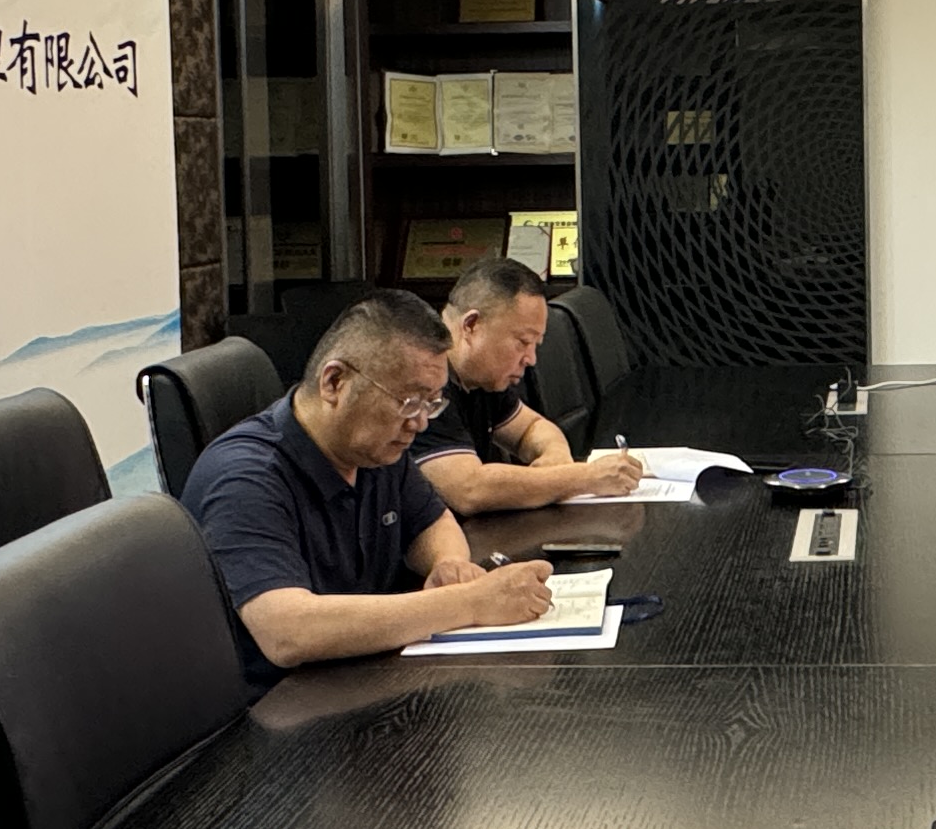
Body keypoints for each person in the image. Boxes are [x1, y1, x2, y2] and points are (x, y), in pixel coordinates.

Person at [179, 288, 555, 683]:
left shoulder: (374, 450)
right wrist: (470, 602)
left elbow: (433, 522)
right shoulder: (244, 477)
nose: (420, 422)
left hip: (362, 675)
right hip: (284, 701)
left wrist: (448, 564)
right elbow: (287, 632)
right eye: (409, 401)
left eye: (432, 403)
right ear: (334, 382)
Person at [410, 258, 645, 515]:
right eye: (522, 342)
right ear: (472, 325)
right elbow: (469, 490)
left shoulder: (482, 378)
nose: (531, 359)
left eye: (535, 345)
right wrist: (584, 477)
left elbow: (531, 428)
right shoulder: (422, 379)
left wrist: (555, 459)